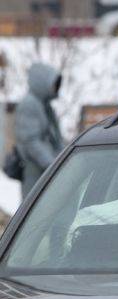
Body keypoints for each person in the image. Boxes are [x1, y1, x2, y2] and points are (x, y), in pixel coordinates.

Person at [14, 62, 64, 199]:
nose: (56, 88)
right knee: (35, 210)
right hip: (35, 170)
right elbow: (30, 141)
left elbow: (55, 137)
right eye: (54, 83)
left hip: (45, 168)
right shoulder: (30, 104)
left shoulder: (44, 105)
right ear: (42, 82)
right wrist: (52, 164)